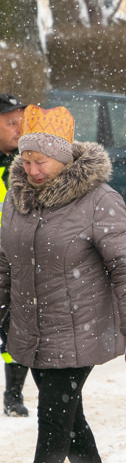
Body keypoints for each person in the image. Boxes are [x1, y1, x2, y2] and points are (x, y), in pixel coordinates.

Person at [2, 105, 126, 463]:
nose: (31, 169)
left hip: (78, 327)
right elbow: (3, 263)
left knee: (54, 415)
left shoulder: (99, 200)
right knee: (68, 416)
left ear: (65, 159)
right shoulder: (18, 198)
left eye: (41, 161)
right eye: (26, 159)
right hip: (31, 328)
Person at [0, 93, 32, 418]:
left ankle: (13, 393)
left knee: (14, 328)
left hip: (10, 259)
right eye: (11, 123)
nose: (18, 130)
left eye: (21, 123)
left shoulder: (25, 166)